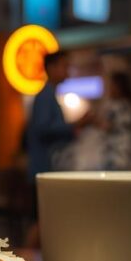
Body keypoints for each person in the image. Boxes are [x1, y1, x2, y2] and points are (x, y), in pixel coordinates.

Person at [57, 72, 131, 171]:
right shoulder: (121, 105)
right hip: (116, 151)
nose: (110, 88)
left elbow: (110, 126)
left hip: (117, 151)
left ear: (119, 86)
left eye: (112, 84)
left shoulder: (120, 106)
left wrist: (90, 121)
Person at [24, 51, 77, 180]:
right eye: (65, 66)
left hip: (47, 168)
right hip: (45, 167)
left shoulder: (49, 94)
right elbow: (43, 128)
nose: (68, 71)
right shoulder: (45, 95)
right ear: (51, 68)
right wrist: (74, 125)